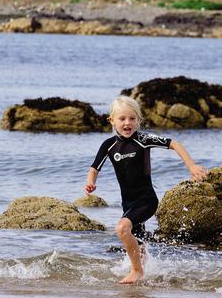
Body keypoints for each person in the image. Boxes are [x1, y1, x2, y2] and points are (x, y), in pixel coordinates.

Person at [85, 95, 208, 284]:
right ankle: (145, 276)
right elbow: (94, 168)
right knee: (139, 244)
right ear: (112, 120)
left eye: (132, 119)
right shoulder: (108, 145)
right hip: (127, 203)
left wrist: (191, 166)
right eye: (122, 119)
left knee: (122, 228)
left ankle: (136, 272)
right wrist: (90, 182)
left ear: (139, 120)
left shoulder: (143, 139)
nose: (128, 123)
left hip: (147, 201)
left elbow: (173, 143)